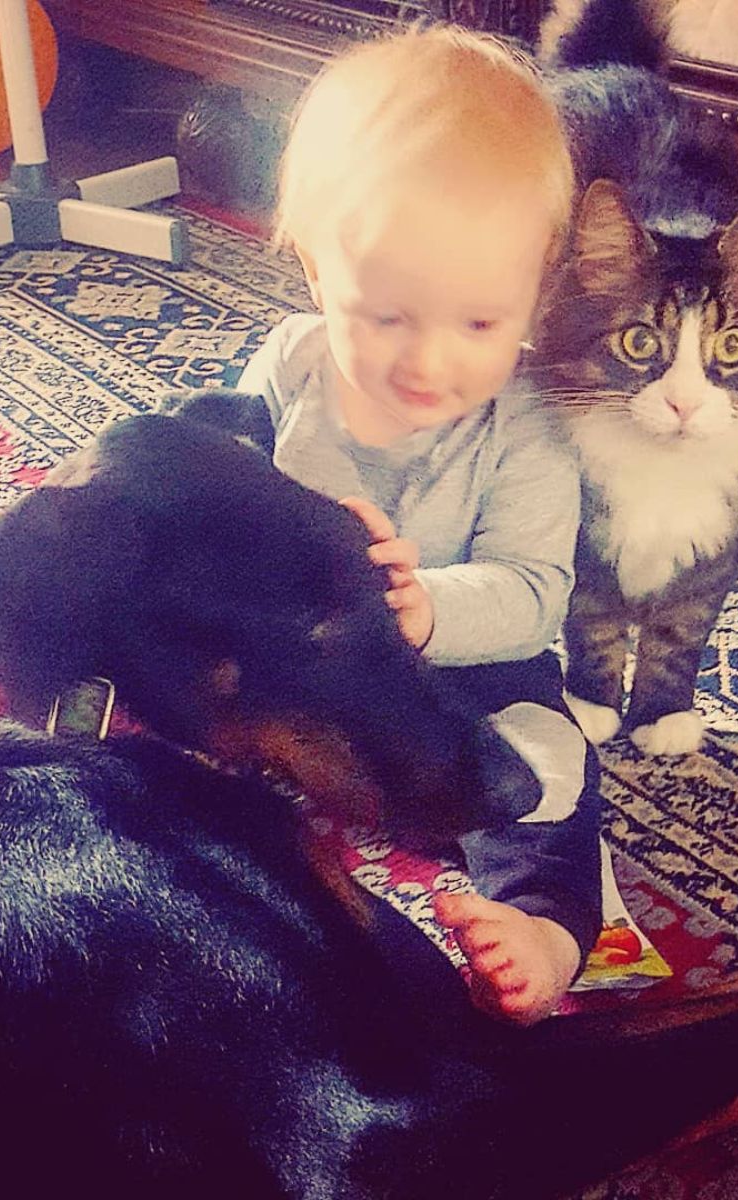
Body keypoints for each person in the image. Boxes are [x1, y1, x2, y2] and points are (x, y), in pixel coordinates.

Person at [235, 24, 603, 1025]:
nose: (429, 362)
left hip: (467, 672)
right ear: (316, 273)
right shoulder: (289, 366)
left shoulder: (529, 420)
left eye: (480, 323)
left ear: (536, 287)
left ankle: (546, 928)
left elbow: (532, 595)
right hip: (305, 661)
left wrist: (422, 607)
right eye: (387, 315)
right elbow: (218, 483)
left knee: (547, 774)